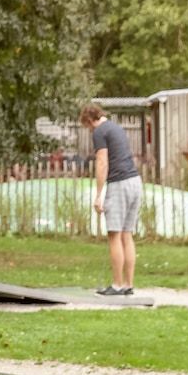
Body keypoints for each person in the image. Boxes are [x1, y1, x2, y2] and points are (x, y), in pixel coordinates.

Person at [80, 102, 139, 296]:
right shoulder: (116, 128)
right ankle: (128, 285)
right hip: (135, 181)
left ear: (89, 120)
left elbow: (102, 162)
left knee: (114, 234)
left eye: (87, 126)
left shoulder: (99, 132)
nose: (88, 130)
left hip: (119, 183)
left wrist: (98, 195)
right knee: (127, 234)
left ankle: (116, 285)